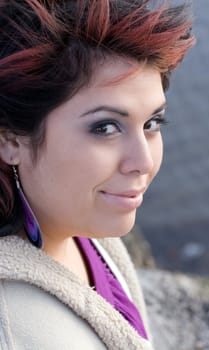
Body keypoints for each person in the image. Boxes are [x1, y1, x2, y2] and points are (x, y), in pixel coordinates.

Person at [0, 1, 195, 349]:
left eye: (152, 123)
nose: (143, 161)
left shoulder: (76, 229)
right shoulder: (18, 328)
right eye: (105, 128)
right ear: (10, 140)